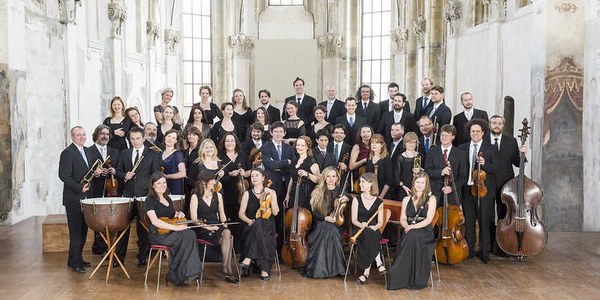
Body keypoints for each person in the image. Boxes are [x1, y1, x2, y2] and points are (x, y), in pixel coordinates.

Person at [144, 172, 201, 286]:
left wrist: (178, 213)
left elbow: (170, 215)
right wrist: (175, 228)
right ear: (153, 185)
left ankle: (184, 272)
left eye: (164, 182)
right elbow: (155, 221)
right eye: (159, 183)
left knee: (190, 233)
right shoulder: (149, 200)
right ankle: (181, 274)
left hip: (170, 233)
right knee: (188, 235)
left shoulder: (168, 199)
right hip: (159, 235)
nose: (162, 185)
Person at [116, 127, 161, 266]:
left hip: (144, 196)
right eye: (132, 139)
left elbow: (156, 175)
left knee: (143, 229)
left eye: (137, 138)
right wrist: (124, 175)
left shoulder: (152, 154)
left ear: (143, 139)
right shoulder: (124, 153)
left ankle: (143, 257)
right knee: (122, 228)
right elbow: (118, 171)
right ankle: (119, 259)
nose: (135, 141)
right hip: (128, 196)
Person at [484, 115, 527, 256]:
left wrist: (522, 154)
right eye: (494, 123)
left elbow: (516, 162)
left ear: (503, 125)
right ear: (489, 124)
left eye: (499, 123)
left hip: (505, 184)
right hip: (487, 183)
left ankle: (503, 246)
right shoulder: (483, 140)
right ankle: (488, 246)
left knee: (504, 214)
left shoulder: (511, 141)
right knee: (488, 215)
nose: (497, 125)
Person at [458, 119, 500, 262]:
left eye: (478, 131)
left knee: (484, 222)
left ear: (483, 133)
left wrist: (485, 164)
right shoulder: (462, 148)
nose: (475, 133)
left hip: (484, 191)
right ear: (469, 133)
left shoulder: (490, 148)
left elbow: (497, 169)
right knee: (469, 222)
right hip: (467, 189)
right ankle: (469, 251)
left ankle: (485, 252)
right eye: (472, 131)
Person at [387, 171, 437, 290]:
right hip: (409, 230)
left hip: (425, 231)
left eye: (422, 183)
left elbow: (429, 220)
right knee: (410, 236)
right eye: (417, 182)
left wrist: (412, 227)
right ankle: (403, 275)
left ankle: (401, 274)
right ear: (414, 183)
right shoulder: (406, 199)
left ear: (426, 185)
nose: (419, 185)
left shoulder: (431, 199)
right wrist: (406, 226)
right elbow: (403, 218)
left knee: (411, 236)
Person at [189, 169, 239, 284]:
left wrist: (225, 226)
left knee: (227, 233)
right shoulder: (195, 197)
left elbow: (222, 215)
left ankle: (227, 269)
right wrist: (208, 227)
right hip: (202, 228)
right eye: (211, 180)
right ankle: (227, 271)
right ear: (203, 182)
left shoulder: (218, 195)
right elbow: (194, 219)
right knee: (229, 239)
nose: (214, 182)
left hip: (216, 225)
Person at [58, 126, 94, 273]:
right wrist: (79, 188)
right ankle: (75, 263)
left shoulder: (87, 151)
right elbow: (63, 176)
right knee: (76, 232)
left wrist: (95, 172)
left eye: (84, 135)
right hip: (73, 198)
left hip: (86, 199)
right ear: (72, 137)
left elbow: (88, 172)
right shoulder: (67, 153)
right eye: (78, 135)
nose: (82, 137)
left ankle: (75, 258)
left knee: (83, 231)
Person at [304, 167, 347, 278]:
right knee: (328, 229)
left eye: (333, 176)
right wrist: (325, 218)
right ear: (324, 177)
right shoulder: (317, 191)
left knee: (332, 229)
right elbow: (314, 212)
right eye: (328, 176)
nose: (331, 179)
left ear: (337, 178)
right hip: (320, 223)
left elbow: (349, 201)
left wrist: (347, 199)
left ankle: (325, 269)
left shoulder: (341, 192)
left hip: (337, 223)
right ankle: (336, 269)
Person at [238, 168, 280, 281]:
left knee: (261, 222)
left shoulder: (272, 192)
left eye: (257, 175)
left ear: (263, 178)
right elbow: (241, 214)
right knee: (258, 224)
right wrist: (249, 221)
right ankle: (264, 269)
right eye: (252, 176)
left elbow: (275, 212)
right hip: (251, 225)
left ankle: (248, 257)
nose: (254, 178)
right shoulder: (247, 194)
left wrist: (271, 195)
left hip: (269, 226)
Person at [87, 125, 120, 255]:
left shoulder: (115, 151)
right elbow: (86, 170)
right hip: (95, 188)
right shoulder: (89, 151)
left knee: (110, 217)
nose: (105, 136)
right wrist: (95, 172)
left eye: (107, 134)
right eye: (102, 133)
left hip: (111, 189)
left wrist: (114, 170)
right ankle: (98, 245)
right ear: (96, 135)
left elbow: (119, 167)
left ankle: (110, 245)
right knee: (98, 217)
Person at [261, 122, 296, 245]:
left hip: (286, 186)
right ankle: (270, 246)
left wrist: (278, 164)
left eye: (281, 131)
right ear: (271, 133)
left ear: (284, 133)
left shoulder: (289, 148)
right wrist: (285, 162)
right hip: (272, 185)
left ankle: (281, 246)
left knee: (283, 216)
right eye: (275, 131)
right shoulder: (266, 146)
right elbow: (269, 165)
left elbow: (292, 165)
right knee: (271, 215)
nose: (278, 134)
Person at [351, 172, 386, 284]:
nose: (360, 184)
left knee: (370, 234)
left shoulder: (379, 202)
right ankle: (379, 262)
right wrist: (361, 224)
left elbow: (380, 222)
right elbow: (354, 220)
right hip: (359, 230)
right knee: (368, 234)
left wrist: (375, 226)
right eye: (360, 181)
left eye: (363, 182)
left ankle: (366, 273)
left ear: (371, 183)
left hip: (374, 230)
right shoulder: (356, 199)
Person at [219, 132, 251, 251]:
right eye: (227, 141)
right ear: (223, 143)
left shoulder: (242, 155)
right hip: (226, 192)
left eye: (232, 140)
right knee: (227, 218)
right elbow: (218, 173)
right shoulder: (220, 156)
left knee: (240, 218)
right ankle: (228, 248)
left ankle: (239, 248)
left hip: (241, 193)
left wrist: (244, 173)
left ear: (236, 142)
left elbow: (250, 171)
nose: (229, 143)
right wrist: (229, 174)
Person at [424, 124, 468, 206]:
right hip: (435, 193)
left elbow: (463, 176)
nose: (444, 137)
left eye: (447, 135)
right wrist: (441, 172)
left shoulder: (460, 153)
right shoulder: (432, 151)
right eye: (442, 135)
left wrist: (451, 188)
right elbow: (427, 170)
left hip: (452, 196)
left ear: (453, 137)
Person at [284, 136, 320, 210]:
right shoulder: (294, 161)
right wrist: (287, 195)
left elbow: (319, 180)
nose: (299, 147)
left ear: (307, 147)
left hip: (306, 195)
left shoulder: (312, 162)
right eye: (298, 145)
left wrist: (307, 174)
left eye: (302, 145)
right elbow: (292, 179)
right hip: (293, 194)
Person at [365, 134, 393, 199]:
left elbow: (389, 181)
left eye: (377, 143)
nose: (374, 145)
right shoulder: (369, 158)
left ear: (382, 145)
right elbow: (367, 177)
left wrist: (381, 196)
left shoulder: (386, 158)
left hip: (383, 194)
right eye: (372, 142)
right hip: (370, 193)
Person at [395, 132, 421, 200]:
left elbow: (425, 173)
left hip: (418, 188)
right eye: (409, 142)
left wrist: (420, 170)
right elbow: (397, 177)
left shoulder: (420, 156)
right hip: (404, 189)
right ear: (405, 143)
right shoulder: (400, 158)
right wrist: (404, 187)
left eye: (413, 142)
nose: (411, 144)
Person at [183, 126, 202, 215]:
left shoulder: (200, 151)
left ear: (198, 136)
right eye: (189, 134)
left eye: (194, 134)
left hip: (195, 181)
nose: (191, 136)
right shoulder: (185, 151)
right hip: (185, 182)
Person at [349, 125, 373, 193]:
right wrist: (364, 160)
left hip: (372, 178)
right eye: (364, 132)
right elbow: (351, 166)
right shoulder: (357, 147)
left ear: (371, 133)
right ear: (360, 134)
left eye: (368, 132)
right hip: (360, 178)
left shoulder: (374, 146)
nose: (366, 134)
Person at [161, 129, 185, 195]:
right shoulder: (160, 153)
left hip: (174, 186)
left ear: (176, 141)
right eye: (169, 136)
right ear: (165, 137)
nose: (170, 139)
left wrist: (167, 176)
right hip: (162, 186)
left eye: (173, 138)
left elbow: (183, 173)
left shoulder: (178, 154)